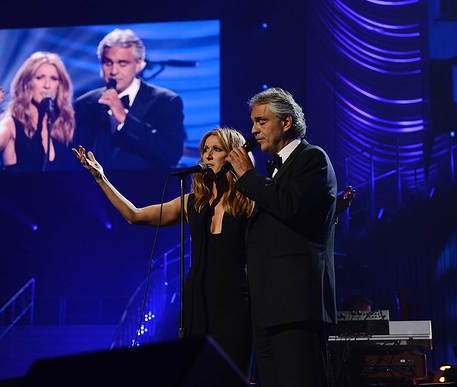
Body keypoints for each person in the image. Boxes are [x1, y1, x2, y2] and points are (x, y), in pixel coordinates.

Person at [73, 127, 253, 374]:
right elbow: (135, 215)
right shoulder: (192, 203)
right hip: (197, 302)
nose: (207, 156)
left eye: (216, 149)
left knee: (233, 373)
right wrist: (101, 178)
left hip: (236, 303)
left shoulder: (249, 200)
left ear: (233, 155)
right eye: (205, 150)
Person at [226, 87, 338, 387]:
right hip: (268, 309)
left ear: (286, 123)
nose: (253, 130)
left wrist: (248, 177)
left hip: (297, 307)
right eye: (253, 122)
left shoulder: (312, 158)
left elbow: (289, 206)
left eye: (261, 122)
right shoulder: (275, 170)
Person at [73, 28, 185, 169]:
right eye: (108, 63)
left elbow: (171, 155)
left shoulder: (166, 101)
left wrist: (124, 119)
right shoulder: (84, 103)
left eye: (122, 63)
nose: (113, 71)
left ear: (139, 65)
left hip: (145, 187)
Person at [0, 51, 75, 172]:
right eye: (40, 78)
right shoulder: (12, 123)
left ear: (59, 86)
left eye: (53, 79)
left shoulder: (62, 125)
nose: (47, 85)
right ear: (27, 83)